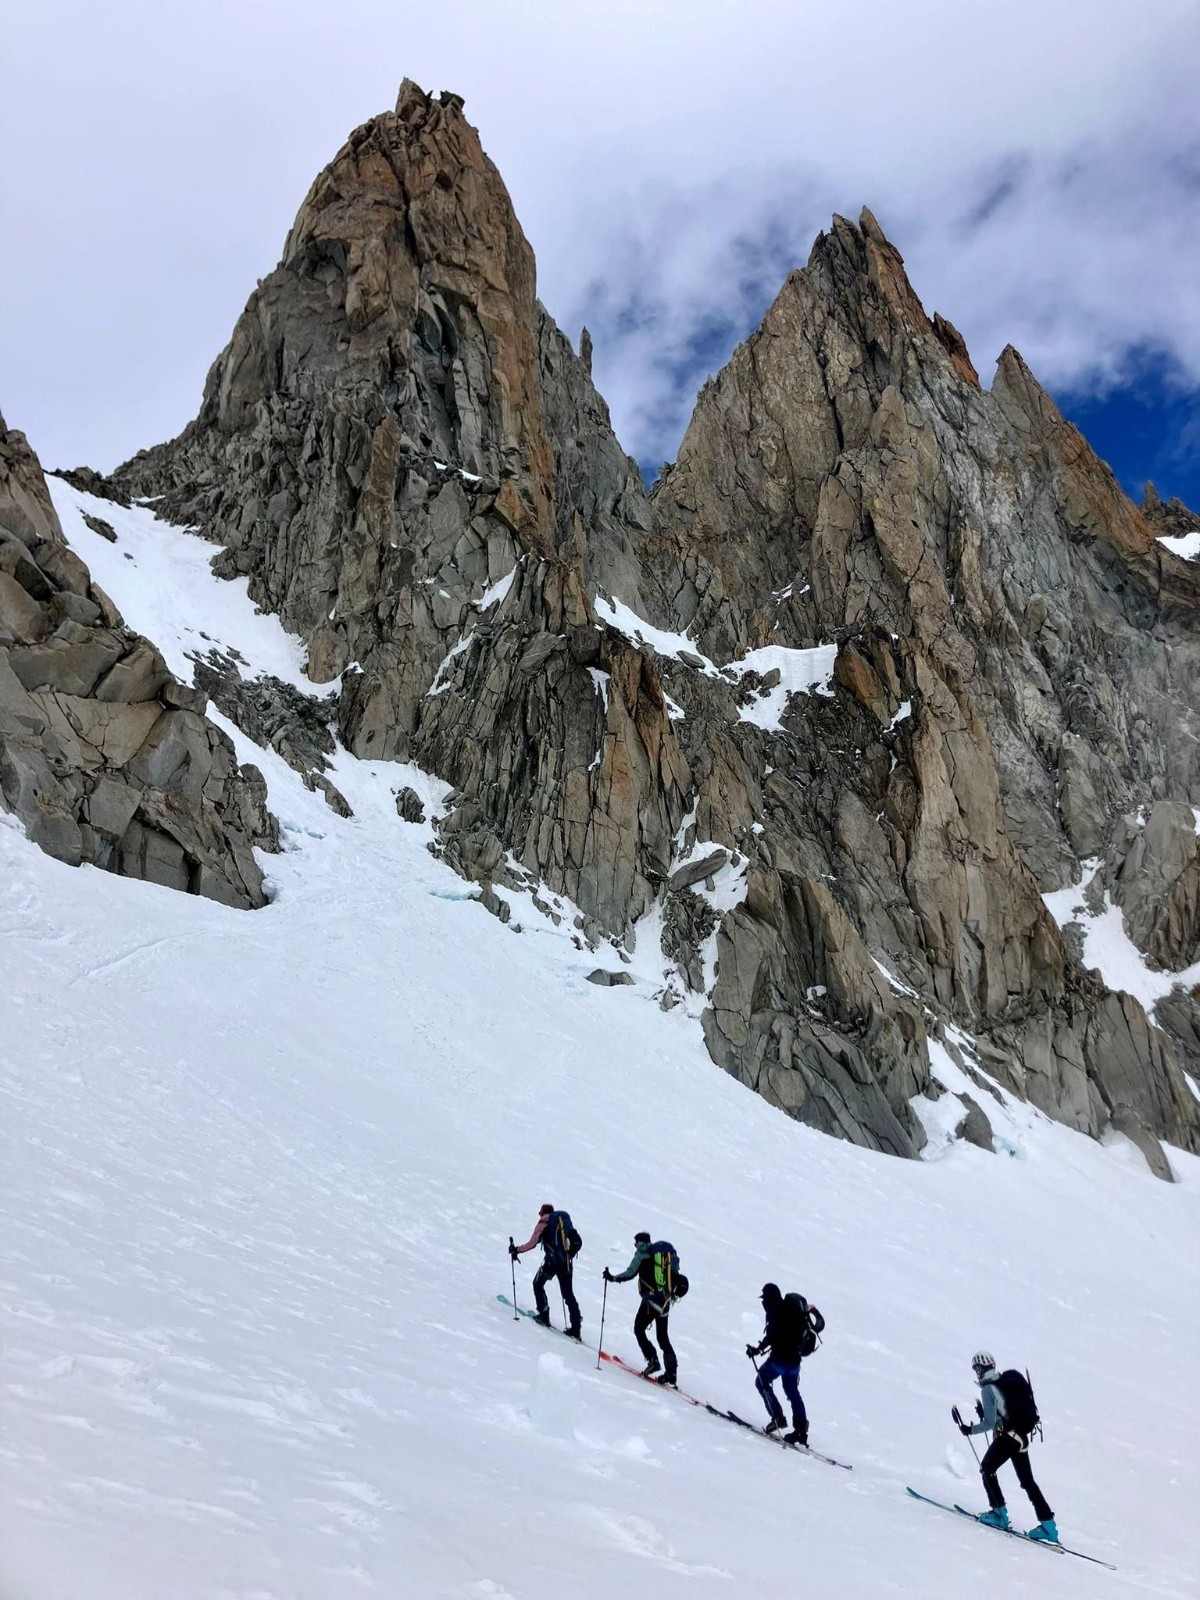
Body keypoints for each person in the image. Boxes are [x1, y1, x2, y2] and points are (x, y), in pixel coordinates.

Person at [956, 1352, 1057, 1542]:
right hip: (1021, 1437)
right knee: (1028, 1481)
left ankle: (999, 1514)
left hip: (1007, 1438)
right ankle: (1049, 1526)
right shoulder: (1004, 1382)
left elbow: (989, 1423)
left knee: (987, 1469)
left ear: (980, 1369)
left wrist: (969, 1429)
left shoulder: (988, 1389)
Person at [603, 1232, 679, 1386]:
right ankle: (671, 1373)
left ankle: (652, 1360)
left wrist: (612, 1278)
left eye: (635, 1242)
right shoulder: (662, 1255)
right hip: (665, 1302)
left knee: (639, 1329)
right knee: (663, 1337)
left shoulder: (642, 1254)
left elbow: (630, 1273)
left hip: (651, 1301)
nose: (635, 1245)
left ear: (639, 1242)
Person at [746, 1283, 816, 1445]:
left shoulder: (775, 1311)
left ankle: (777, 1417)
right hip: (794, 1361)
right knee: (792, 1392)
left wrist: (757, 1350)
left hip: (779, 1360)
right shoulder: (790, 1309)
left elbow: (772, 1336)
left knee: (761, 1382)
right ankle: (801, 1430)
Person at [510, 1204, 581, 1340]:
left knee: (538, 1284)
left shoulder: (544, 1222)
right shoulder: (562, 1223)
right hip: (565, 1263)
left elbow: (532, 1243)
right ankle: (576, 1329)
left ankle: (543, 1314)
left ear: (543, 1213)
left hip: (552, 1263)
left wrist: (517, 1250)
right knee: (568, 1295)